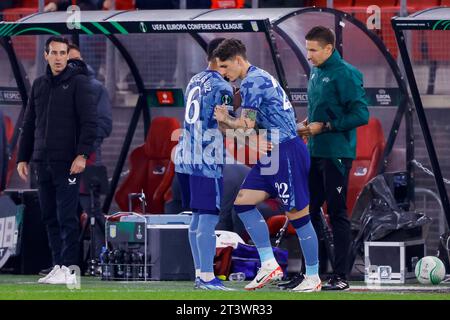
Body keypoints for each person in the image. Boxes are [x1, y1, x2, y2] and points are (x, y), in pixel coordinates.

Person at [213, 38, 321, 292]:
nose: (224, 73)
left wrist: (225, 118)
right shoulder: (255, 79)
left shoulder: (252, 82)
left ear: (239, 60)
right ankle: (269, 264)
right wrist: (228, 124)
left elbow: (247, 125)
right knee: (242, 203)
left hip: (286, 154)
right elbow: (249, 130)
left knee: (298, 216)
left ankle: (313, 277)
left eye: (226, 67)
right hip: (273, 152)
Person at [17, 36, 97, 285]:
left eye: (63, 53)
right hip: (42, 162)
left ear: (67, 56)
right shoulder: (39, 85)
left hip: (68, 162)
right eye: (55, 53)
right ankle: (58, 265)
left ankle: (70, 267)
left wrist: (82, 155)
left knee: (66, 217)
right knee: (49, 216)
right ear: (46, 55)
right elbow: (29, 123)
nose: (59, 58)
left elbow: (89, 123)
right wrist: (23, 157)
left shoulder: (79, 83)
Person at [296, 26, 369, 291]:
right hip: (315, 151)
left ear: (329, 49)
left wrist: (325, 126)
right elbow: (321, 108)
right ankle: (310, 274)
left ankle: (341, 276)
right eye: (307, 49)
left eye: (313, 50)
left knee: (337, 213)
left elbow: (361, 115)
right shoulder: (317, 70)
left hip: (336, 154)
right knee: (308, 211)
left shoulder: (346, 74)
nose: (309, 55)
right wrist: (307, 123)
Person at [174, 38, 235, 291]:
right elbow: (225, 125)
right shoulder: (223, 86)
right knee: (208, 218)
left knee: (197, 219)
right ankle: (208, 276)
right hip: (206, 160)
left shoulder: (194, 80)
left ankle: (201, 273)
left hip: (184, 157)